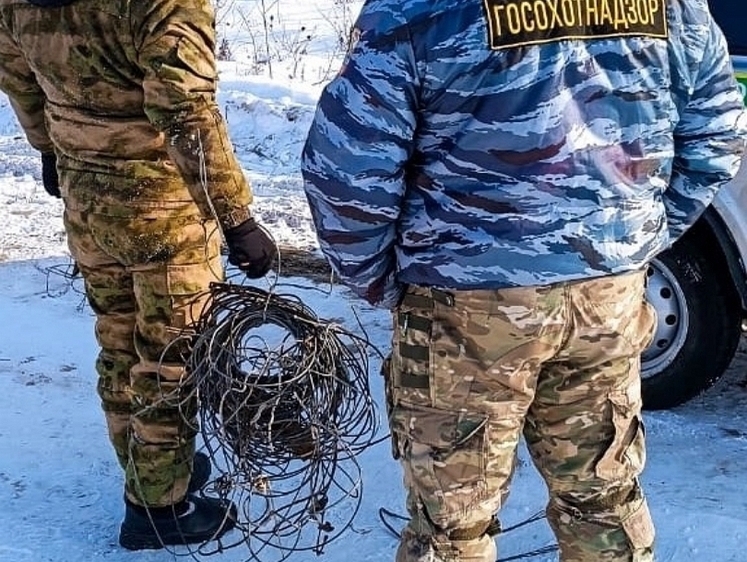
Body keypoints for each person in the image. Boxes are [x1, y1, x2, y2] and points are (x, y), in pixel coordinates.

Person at [301, 0, 747, 561]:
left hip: (463, 303)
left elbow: (347, 172)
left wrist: (378, 279)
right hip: (607, 294)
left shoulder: (417, 10)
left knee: (452, 527)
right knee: (603, 501)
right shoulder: (671, 7)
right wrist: (634, 240)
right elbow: (718, 133)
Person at [0, 0, 277, 551]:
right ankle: (160, 507)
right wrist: (236, 216)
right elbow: (187, 111)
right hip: (161, 210)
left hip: (87, 197)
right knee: (171, 357)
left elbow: (17, 72)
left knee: (121, 340)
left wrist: (49, 150)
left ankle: (152, 468)